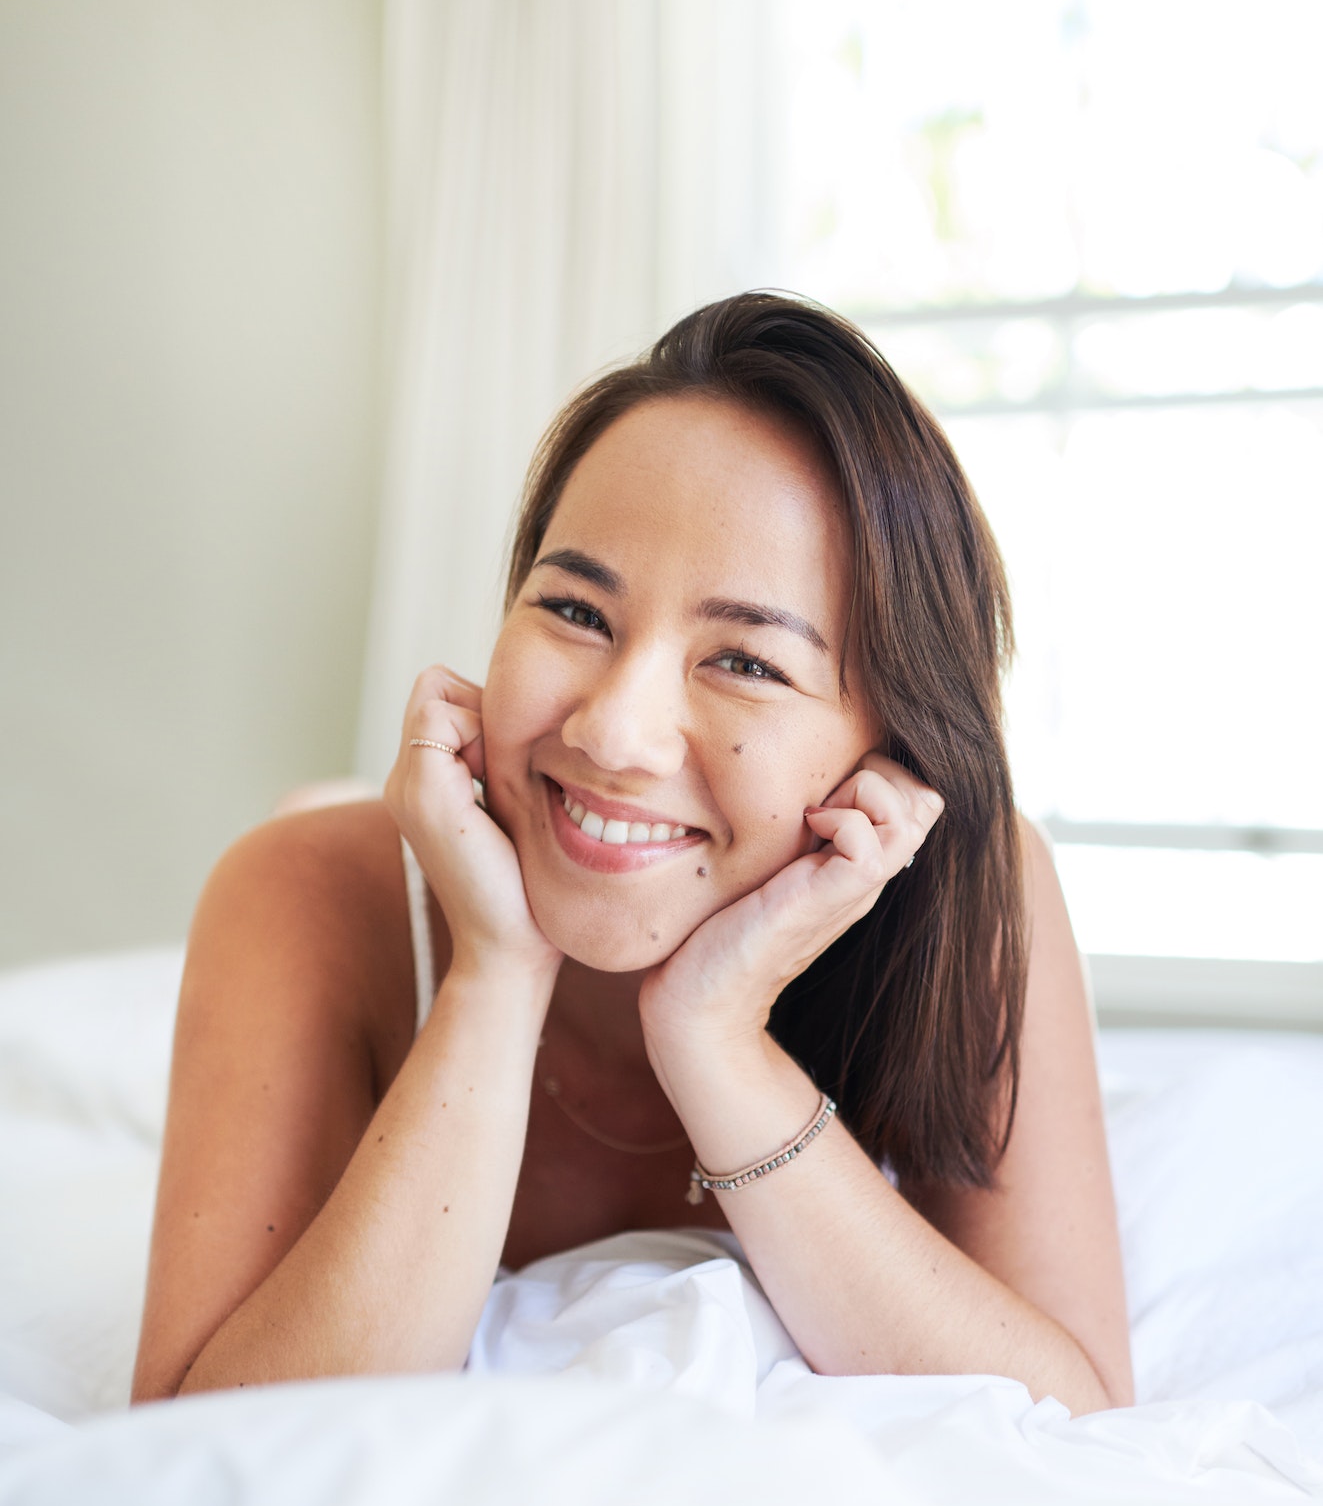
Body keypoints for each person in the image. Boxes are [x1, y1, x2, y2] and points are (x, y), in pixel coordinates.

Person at [131, 293, 1133, 1415]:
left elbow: (1074, 1412)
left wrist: (717, 1039)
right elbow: (194, 1434)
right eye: (575, 609)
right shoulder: (299, 890)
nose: (613, 728)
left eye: (746, 661)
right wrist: (494, 971)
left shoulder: (981, 896)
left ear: (889, 748)